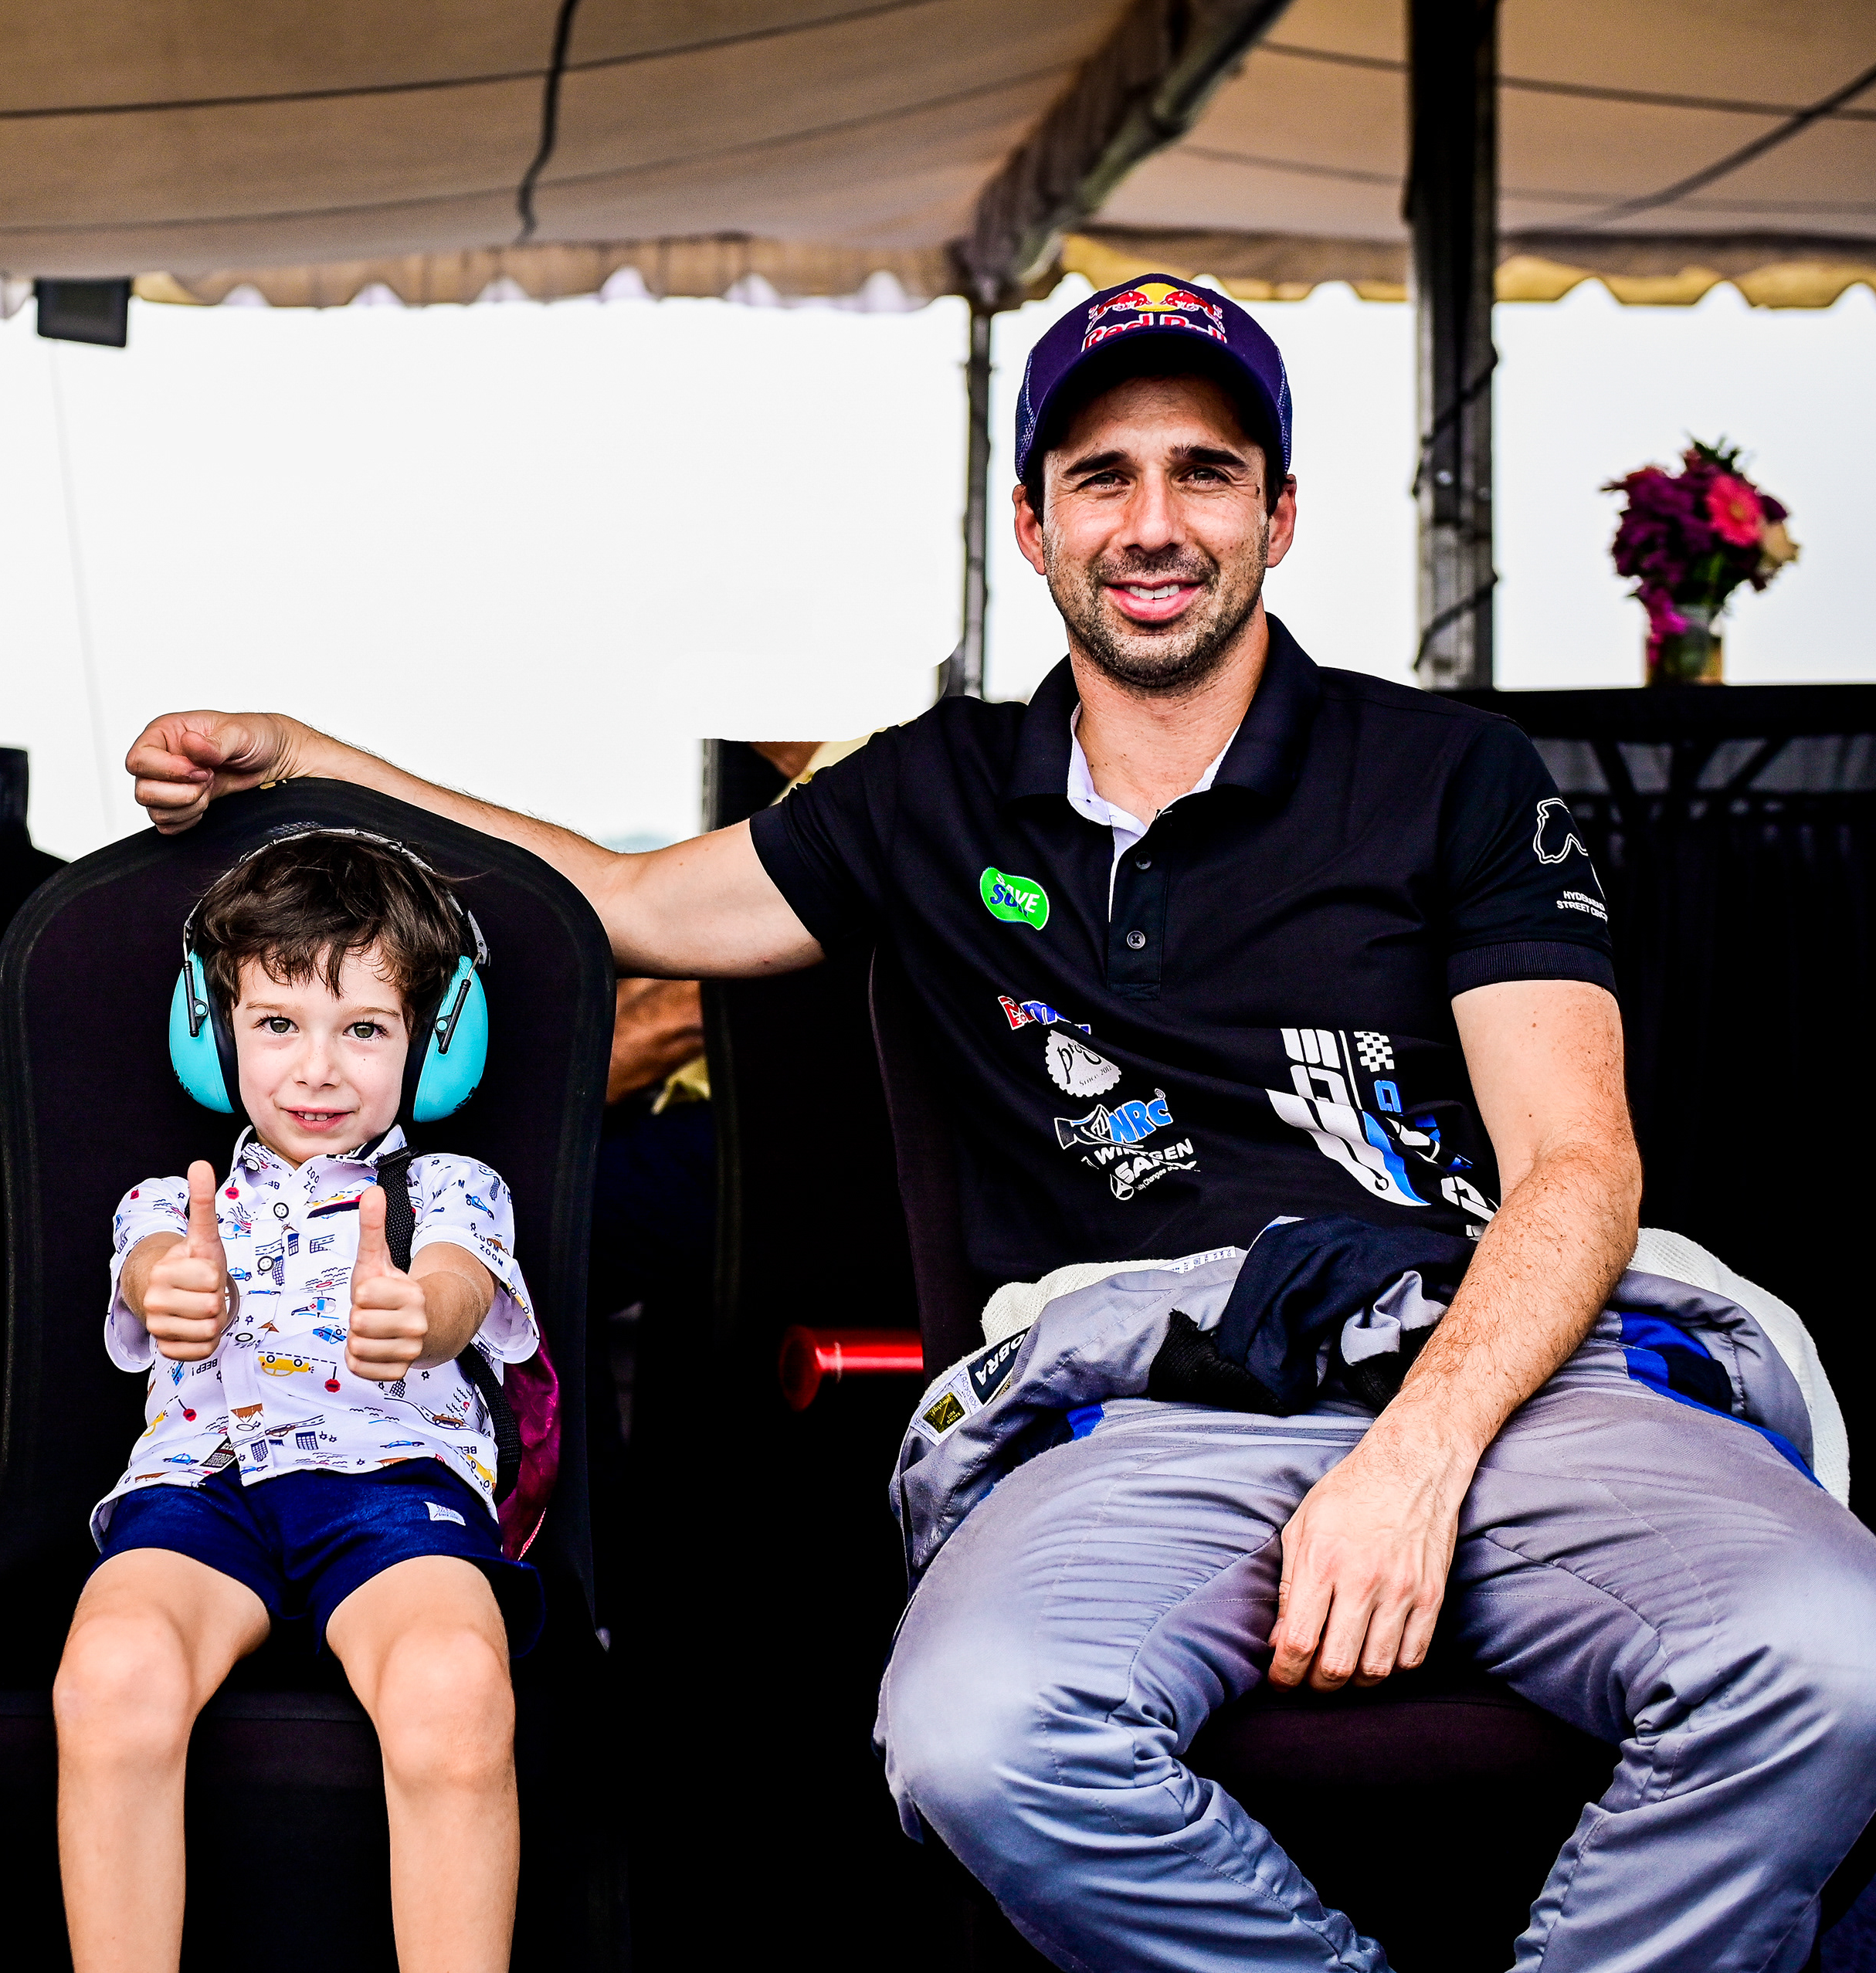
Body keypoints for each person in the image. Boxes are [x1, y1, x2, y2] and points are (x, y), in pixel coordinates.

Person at [117, 275, 1876, 1970]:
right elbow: (631, 902)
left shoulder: (1455, 774)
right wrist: (308, 761)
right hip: (1135, 1405)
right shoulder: (935, 787)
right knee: (973, 1735)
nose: (1155, 520)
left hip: (1492, 1380)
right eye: (1102, 475)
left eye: (1205, 471)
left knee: (1843, 1653)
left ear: (1278, 514)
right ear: (1034, 527)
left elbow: (1581, 1163)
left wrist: (1412, 1463)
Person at [50, 832, 543, 1973]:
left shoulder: (451, 1190)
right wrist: (170, 1290)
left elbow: (463, 1286)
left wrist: (422, 1315)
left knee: (455, 1682)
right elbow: (148, 1270)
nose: (318, 1069)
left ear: (435, 1046)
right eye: (278, 1024)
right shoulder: (170, 1202)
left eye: (364, 1029)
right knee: (112, 1666)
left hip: (390, 1495)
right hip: (202, 1495)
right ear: (212, 1034)